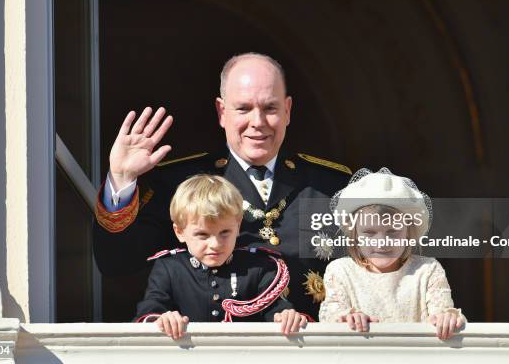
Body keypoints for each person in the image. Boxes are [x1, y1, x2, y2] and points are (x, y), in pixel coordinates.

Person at [94, 52, 352, 319]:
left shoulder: (333, 185)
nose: (258, 122)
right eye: (243, 108)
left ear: (287, 111)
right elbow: (115, 263)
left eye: (270, 108)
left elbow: (383, 264)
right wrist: (122, 179)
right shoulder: (180, 183)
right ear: (222, 112)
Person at [134, 174, 307, 339]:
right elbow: (150, 310)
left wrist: (286, 317)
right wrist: (162, 319)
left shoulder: (259, 267)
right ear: (179, 232)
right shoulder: (169, 267)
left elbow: (276, 310)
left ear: (238, 226)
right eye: (202, 234)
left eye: (224, 232)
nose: (215, 244)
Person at [318, 168, 466, 340]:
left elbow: (442, 313)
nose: (381, 242)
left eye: (392, 231)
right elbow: (331, 315)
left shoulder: (427, 270)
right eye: (369, 233)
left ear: (408, 232)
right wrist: (345, 319)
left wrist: (446, 318)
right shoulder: (340, 271)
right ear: (355, 234)